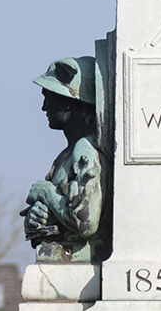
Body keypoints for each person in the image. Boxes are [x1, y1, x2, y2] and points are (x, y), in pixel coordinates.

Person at [21, 56, 109, 261]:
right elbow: (57, 214)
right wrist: (36, 215)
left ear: (69, 102)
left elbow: (85, 223)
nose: (44, 107)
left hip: (81, 268)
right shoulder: (65, 155)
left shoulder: (85, 150)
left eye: (49, 98)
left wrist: (47, 192)